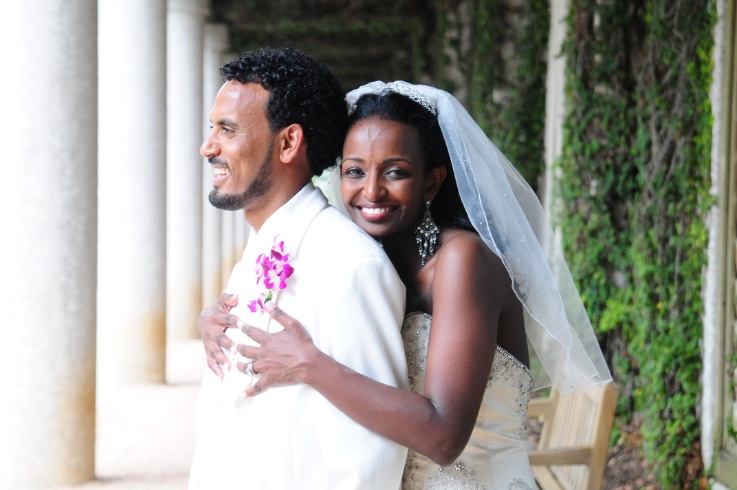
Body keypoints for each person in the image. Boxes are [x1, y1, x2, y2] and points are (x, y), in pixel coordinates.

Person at [200, 81, 612, 489]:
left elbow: (444, 437)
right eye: (355, 171)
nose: (371, 191)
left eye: (395, 172)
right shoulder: (366, 260)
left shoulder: (463, 260)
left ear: (431, 181)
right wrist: (223, 317)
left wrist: (312, 366)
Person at [188, 50, 410, 489]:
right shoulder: (261, 247)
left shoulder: (351, 264)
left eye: (227, 130)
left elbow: (368, 460)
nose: (208, 147)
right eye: (212, 128)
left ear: (289, 142)